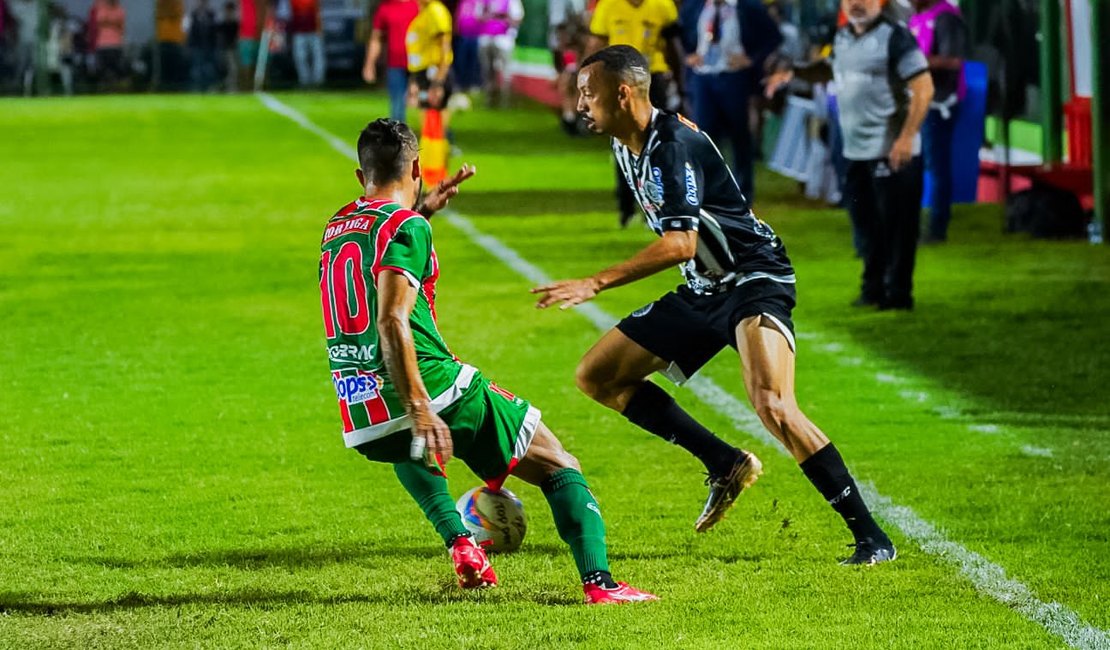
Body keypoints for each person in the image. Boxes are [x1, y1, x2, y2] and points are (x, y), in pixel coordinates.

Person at [533, 45, 897, 565]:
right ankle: (724, 463)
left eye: (588, 93)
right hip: (704, 288)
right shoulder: (625, 144)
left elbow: (681, 241)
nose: (580, 102)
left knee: (773, 405)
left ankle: (871, 537)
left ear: (623, 93)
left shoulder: (672, 145)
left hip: (753, 278)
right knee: (598, 376)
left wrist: (596, 282)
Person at [320, 118, 658, 604]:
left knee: (407, 444)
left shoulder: (337, 225)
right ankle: (600, 584)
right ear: (417, 166)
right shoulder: (408, 227)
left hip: (359, 407)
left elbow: (375, 250)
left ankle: (462, 544)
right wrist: (420, 405)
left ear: (361, 176)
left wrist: (424, 209)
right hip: (432, 387)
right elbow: (392, 320)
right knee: (558, 461)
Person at [767, 0, 933, 310]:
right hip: (855, 151)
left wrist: (907, 137)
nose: (856, 4)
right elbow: (830, 68)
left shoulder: (896, 37)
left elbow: (923, 88)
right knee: (866, 225)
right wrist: (795, 73)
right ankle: (872, 289)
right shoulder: (842, 36)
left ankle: (898, 295)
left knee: (896, 228)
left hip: (891, 151)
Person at [586, 0, 679, 227]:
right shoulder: (608, 6)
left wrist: (679, 80)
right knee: (624, 145)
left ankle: (658, 206)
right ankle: (626, 207)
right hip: (618, 82)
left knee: (657, 145)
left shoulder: (663, 6)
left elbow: (673, 46)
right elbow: (597, 43)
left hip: (652, 80)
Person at [681, 0, 781, 201]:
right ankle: (707, 191)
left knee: (739, 136)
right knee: (703, 138)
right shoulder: (694, 6)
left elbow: (773, 37)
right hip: (703, 78)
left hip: (734, 76)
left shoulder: (749, 7)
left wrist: (752, 59)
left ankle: (743, 194)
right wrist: (688, 55)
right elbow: (681, 35)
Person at [909, 0, 968, 244]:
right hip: (916, 103)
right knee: (915, 167)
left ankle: (937, 228)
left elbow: (954, 60)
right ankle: (915, 225)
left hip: (939, 102)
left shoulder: (945, 17)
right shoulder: (916, 19)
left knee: (937, 166)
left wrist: (916, 62)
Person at [364, 0, 418, 123]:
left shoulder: (418, 5)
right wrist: (369, 64)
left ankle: (439, 136)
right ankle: (398, 139)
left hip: (420, 64)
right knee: (397, 107)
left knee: (426, 105)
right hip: (395, 64)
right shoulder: (386, 7)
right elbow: (376, 38)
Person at [406, 0, 453, 115]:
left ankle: (436, 133)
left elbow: (444, 44)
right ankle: (428, 132)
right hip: (423, 70)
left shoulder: (435, 10)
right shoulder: (425, 11)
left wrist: (439, 79)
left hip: (433, 69)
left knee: (434, 106)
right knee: (424, 105)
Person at [476, 0, 523, 107]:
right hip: (486, 39)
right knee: (487, 71)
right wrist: (488, 16)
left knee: (506, 72)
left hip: (504, 40)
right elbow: (478, 17)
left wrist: (503, 17)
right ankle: (489, 99)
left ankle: (506, 101)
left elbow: (518, 19)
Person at [91, 0, 126, 91]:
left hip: (116, 44)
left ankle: (116, 88)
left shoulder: (119, 9)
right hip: (103, 44)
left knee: (117, 69)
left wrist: (109, 21)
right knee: (101, 70)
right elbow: (100, 20)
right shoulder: (102, 7)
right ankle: (103, 89)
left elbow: (121, 24)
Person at [290, 0, 324, 87]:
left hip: (313, 30)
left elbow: (318, 10)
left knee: (318, 56)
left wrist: (319, 27)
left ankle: (318, 80)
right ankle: (304, 80)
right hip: (298, 31)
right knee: (300, 57)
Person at [187, 0, 220, 91]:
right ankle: (196, 89)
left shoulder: (212, 15)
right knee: (196, 70)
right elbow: (190, 32)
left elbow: (216, 31)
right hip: (197, 47)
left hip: (210, 47)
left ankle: (209, 89)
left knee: (209, 70)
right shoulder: (193, 15)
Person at [156, 0, 187, 91]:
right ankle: (164, 88)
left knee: (175, 69)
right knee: (164, 69)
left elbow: (174, 12)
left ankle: (176, 89)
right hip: (163, 39)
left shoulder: (177, 3)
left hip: (175, 40)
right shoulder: (160, 3)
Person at [9, 0, 36, 95]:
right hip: (22, 40)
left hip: (36, 41)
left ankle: (29, 86)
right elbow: (12, 17)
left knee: (33, 65)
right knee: (21, 63)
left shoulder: (37, 4)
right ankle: (16, 84)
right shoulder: (17, 5)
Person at [217, 1, 239, 91]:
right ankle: (227, 87)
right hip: (224, 50)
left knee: (233, 70)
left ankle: (232, 87)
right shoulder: (222, 25)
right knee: (227, 70)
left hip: (233, 51)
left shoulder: (236, 24)